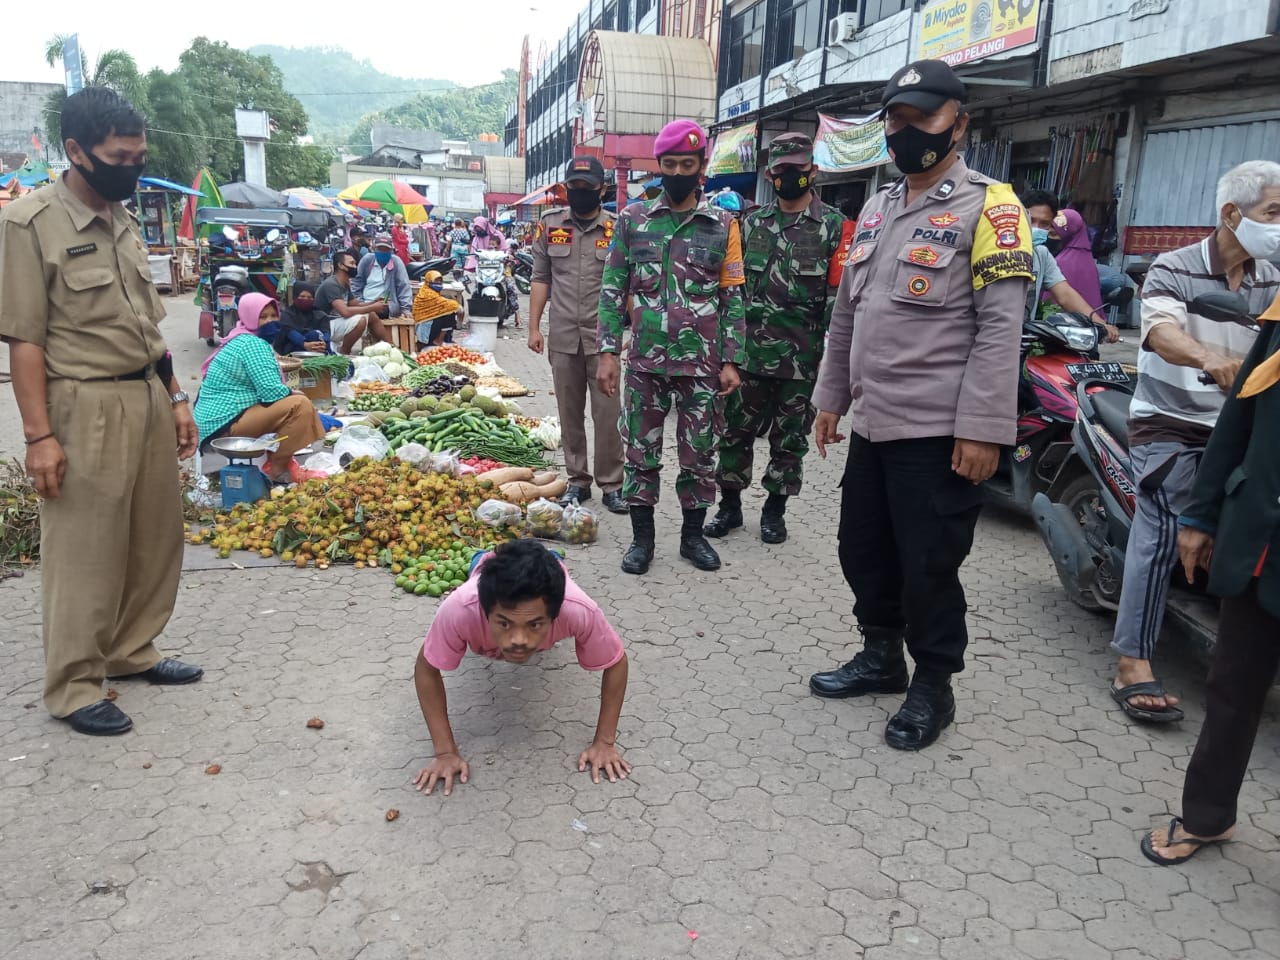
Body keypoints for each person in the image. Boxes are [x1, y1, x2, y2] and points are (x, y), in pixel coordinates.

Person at [808, 60, 1033, 751]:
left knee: (929, 562)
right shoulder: (877, 207)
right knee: (863, 549)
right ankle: (881, 655)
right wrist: (830, 397)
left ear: (959, 122)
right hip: (875, 421)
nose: (906, 133)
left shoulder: (992, 208)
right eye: (896, 120)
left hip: (938, 429)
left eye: (922, 118)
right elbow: (847, 313)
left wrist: (983, 428)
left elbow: (1002, 328)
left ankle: (933, 685)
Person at [0, 87, 202, 737]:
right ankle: (73, 683)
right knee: (85, 550)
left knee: (154, 538)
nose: (131, 167)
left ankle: (131, 649)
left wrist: (174, 398)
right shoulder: (30, 224)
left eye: (139, 156)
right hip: (83, 403)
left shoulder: (121, 217)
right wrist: (39, 438)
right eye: (119, 156)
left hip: (145, 393)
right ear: (76, 151)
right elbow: (24, 340)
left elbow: (146, 325)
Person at [1107, 161, 1279, 722]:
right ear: (1233, 215)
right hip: (1170, 421)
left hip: (1241, 426)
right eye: (1273, 214)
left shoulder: (1273, 276)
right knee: (1167, 521)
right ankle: (1132, 658)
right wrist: (1211, 358)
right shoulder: (1174, 267)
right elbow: (1159, 331)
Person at [1140, 289, 1280, 866]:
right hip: (1262, 541)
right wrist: (1198, 517)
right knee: (1233, 687)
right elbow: (1241, 415)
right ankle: (1207, 817)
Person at [597, 119, 746, 574]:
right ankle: (642, 542)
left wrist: (733, 360)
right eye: (669, 164)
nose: (678, 171)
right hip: (643, 362)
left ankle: (692, 538)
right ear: (658, 167)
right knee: (640, 453)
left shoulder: (724, 226)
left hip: (702, 365)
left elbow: (733, 296)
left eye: (687, 163)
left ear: (702, 167)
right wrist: (607, 351)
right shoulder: (632, 220)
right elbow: (611, 287)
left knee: (699, 456)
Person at [704, 133, 845, 545]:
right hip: (748, 356)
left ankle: (774, 511)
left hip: (802, 360)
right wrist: (724, 352)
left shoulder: (833, 226)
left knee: (789, 439)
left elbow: (839, 301)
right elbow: (728, 291)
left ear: (813, 171)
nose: (789, 177)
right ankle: (729, 506)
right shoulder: (749, 223)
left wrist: (834, 367)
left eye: (797, 170)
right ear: (770, 173)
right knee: (733, 434)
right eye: (781, 170)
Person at [412, 540, 631, 796]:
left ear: (555, 615)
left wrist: (605, 742)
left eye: (535, 625)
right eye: (504, 624)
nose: (519, 640)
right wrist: (445, 752)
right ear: (484, 612)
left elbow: (617, 662)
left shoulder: (578, 610)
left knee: (552, 564)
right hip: (483, 571)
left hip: (555, 572)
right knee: (481, 563)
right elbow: (426, 668)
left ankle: (548, 556)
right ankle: (485, 556)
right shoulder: (460, 609)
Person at [527, 156, 627, 514]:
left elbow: (629, 283)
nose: (579, 193)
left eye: (587, 188)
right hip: (564, 336)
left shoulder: (618, 228)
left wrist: (626, 330)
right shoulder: (550, 225)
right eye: (574, 186)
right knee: (569, 414)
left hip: (604, 342)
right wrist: (534, 326)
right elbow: (541, 278)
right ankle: (578, 481)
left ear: (602, 189)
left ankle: (612, 484)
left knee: (608, 415)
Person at [194, 293, 327, 481]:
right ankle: (274, 471)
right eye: (263, 317)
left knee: (294, 404)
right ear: (248, 317)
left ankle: (282, 463)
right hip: (223, 423)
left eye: (273, 316)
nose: (270, 321)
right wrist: (292, 392)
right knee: (300, 405)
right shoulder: (252, 344)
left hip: (217, 419)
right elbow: (271, 392)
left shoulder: (240, 337)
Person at [1022, 190, 1119, 341]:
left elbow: (1065, 294)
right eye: (1031, 220)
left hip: (1023, 337)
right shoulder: (996, 249)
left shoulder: (1042, 254)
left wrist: (1100, 324)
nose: (1036, 228)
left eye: (1045, 224)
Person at [314, 249, 394, 354]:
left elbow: (355, 304)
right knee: (360, 320)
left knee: (371, 314)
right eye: (351, 263)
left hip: (336, 321)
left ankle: (391, 347)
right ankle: (345, 352)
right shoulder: (331, 284)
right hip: (325, 325)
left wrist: (373, 303)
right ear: (341, 265)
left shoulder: (345, 283)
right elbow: (345, 312)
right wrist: (372, 307)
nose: (355, 267)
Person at [351, 232, 413, 319]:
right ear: (374, 249)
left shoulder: (396, 262)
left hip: (386, 305)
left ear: (391, 251)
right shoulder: (367, 260)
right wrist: (359, 302)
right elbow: (356, 283)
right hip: (365, 302)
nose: (383, 252)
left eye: (386, 249)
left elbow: (403, 286)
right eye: (380, 249)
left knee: (376, 312)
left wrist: (406, 309)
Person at [269, 281, 330, 355]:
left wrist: (324, 343)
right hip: (292, 350)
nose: (306, 299)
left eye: (309, 297)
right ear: (295, 297)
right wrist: (304, 344)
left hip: (318, 349)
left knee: (314, 335)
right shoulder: (287, 314)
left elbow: (326, 332)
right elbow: (290, 332)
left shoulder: (320, 315)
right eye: (302, 297)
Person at [412, 269, 460, 347]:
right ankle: (439, 340)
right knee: (450, 314)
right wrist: (458, 307)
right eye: (436, 281)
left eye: (440, 281)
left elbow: (442, 303)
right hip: (425, 328)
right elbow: (453, 305)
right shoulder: (427, 294)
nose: (439, 283)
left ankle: (445, 339)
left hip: (431, 325)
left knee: (447, 311)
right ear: (428, 281)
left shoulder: (429, 292)